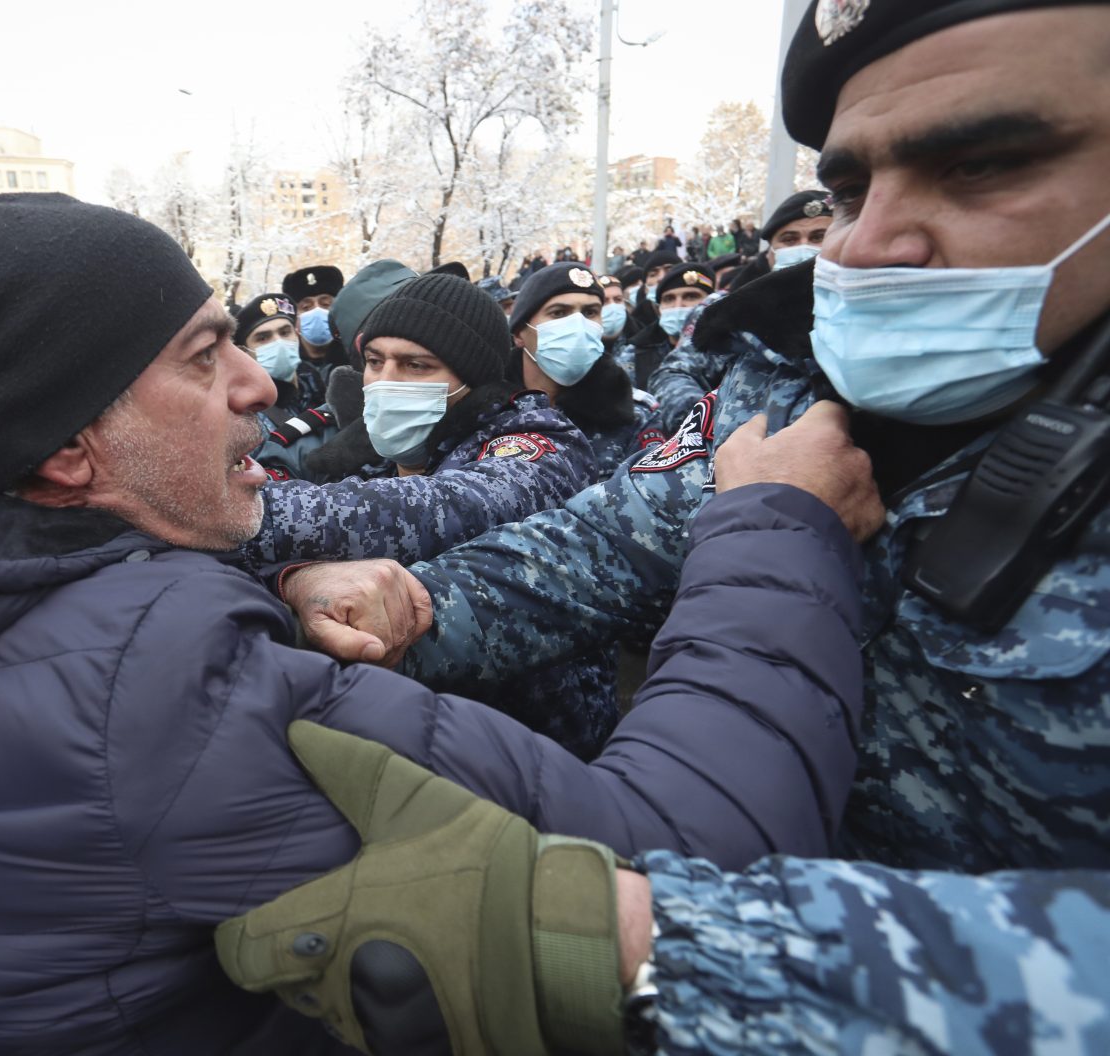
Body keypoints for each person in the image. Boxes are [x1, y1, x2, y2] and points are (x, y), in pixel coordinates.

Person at [0, 192, 883, 1055]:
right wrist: (775, 534)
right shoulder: (170, 687)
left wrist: (261, 596)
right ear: (70, 449)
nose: (265, 383)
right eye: (202, 355)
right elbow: (677, 862)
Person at [261, 2, 1110, 1049]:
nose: (872, 241)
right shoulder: (788, 382)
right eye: (848, 189)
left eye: (984, 165)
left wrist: (682, 950)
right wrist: (407, 605)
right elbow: (596, 548)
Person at [243, 272, 617, 754]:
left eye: (416, 365)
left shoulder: (538, 441)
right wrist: (295, 578)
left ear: (473, 380)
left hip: (541, 747)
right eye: (375, 362)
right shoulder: (374, 462)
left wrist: (245, 515)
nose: (385, 382)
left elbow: (445, 508)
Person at [649, 191, 837, 431]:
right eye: (789, 240)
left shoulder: (865, 309)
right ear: (770, 253)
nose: (804, 247)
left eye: (819, 236)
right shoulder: (724, 312)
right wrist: (705, 427)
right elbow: (674, 373)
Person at [508, 263, 665, 470]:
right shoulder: (487, 411)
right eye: (559, 313)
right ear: (520, 333)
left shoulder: (636, 415)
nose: (578, 325)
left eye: (590, 312)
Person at [234, 291, 338, 481]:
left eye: (284, 332)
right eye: (263, 338)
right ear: (245, 352)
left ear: (296, 335)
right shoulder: (247, 420)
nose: (279, 343)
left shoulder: (325, 390)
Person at [617, 261, 716, 391]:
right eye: (669, 299)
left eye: (691, 296)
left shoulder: (728, 351)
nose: (678, 305)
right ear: (659, 309)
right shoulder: (634, 354)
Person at [281, 264, 349, 399]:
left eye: (325, 304)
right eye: (306, 307)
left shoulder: (354, 358)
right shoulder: (285, 365)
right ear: (295, 316)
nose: (316, 311)